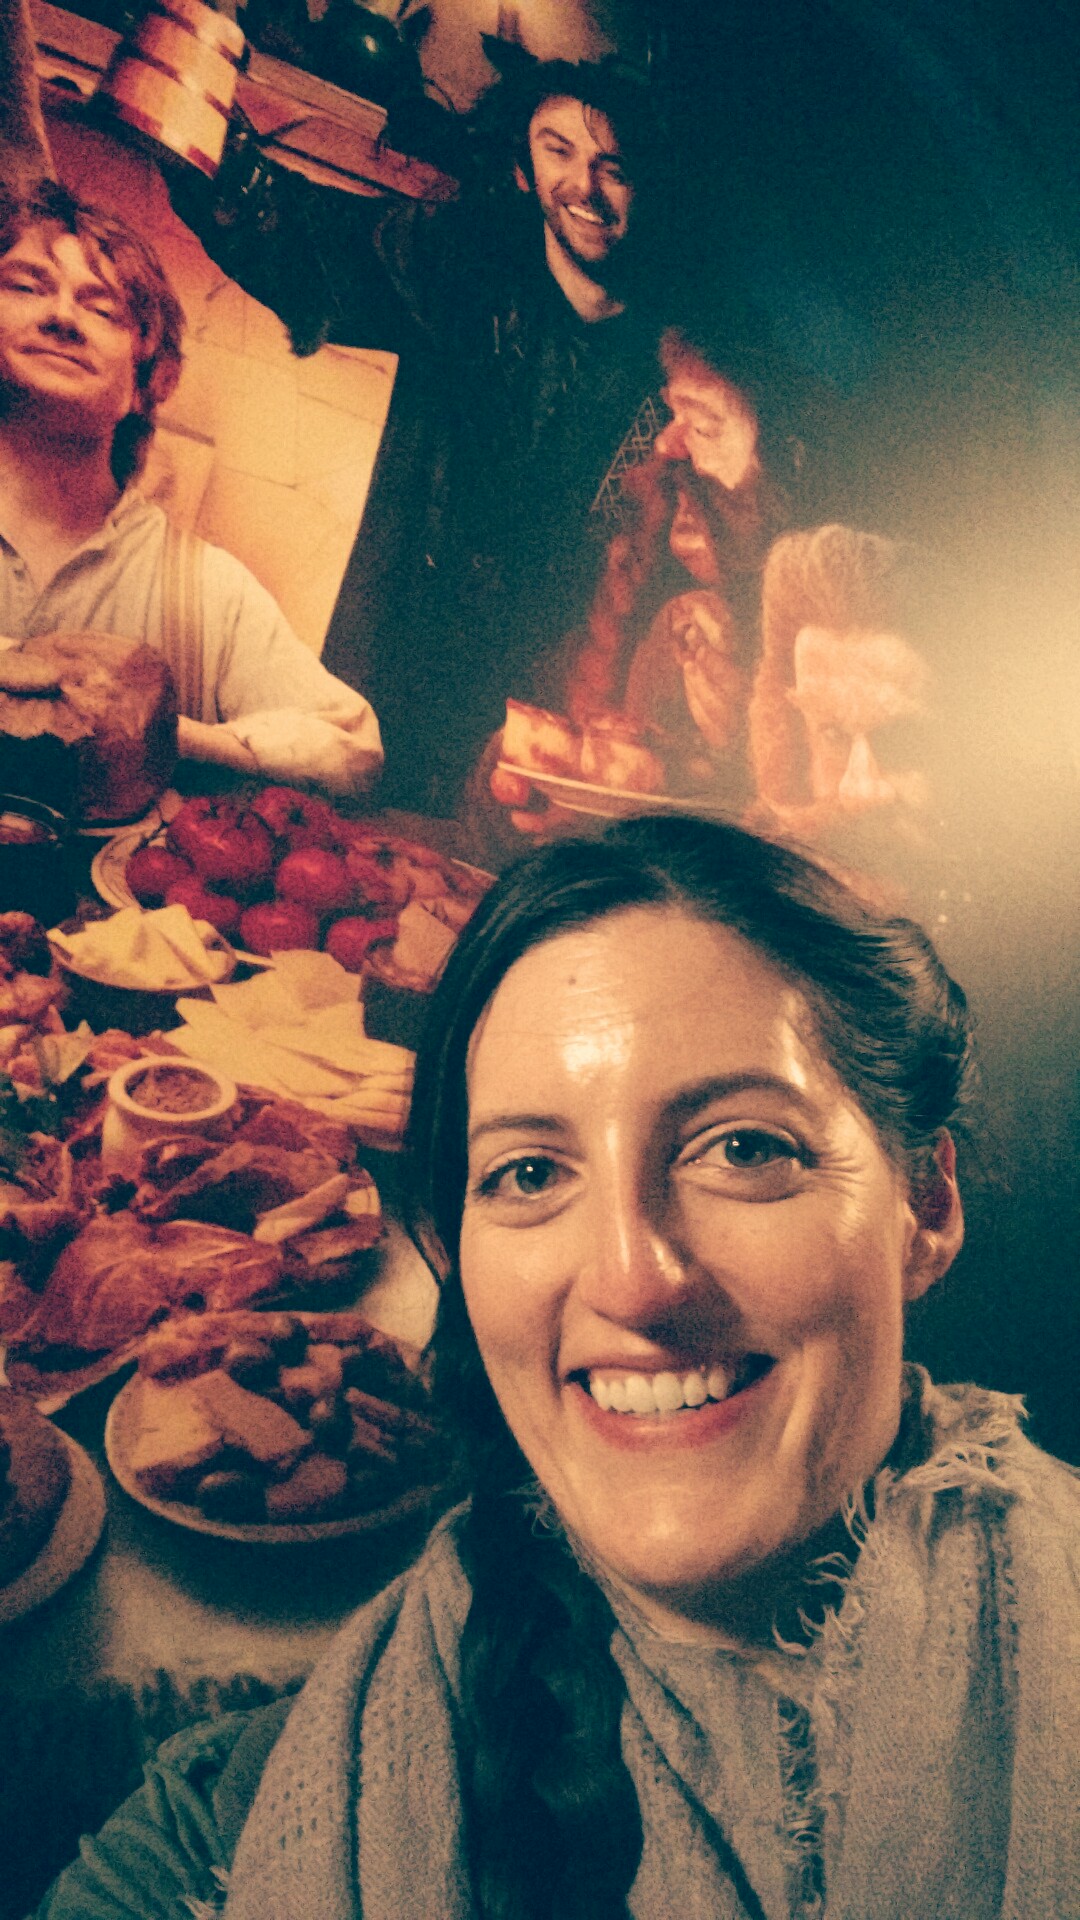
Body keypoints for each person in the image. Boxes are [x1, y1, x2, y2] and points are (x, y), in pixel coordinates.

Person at [32, 815, 1078, 1919]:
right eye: (530, 1173)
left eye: (744, 1149)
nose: (632, 1281)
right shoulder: (231, 1829)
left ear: (926, 1204)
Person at [173, 43, 708, 814]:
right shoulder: (458, 267)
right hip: (402, 658)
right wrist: (189, 107)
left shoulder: (684, 356)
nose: (584, 186)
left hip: (569, 722)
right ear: (523, 170)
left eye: (613, 166)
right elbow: (301, 235)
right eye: (557, 150)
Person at [0, 178, 383, 797]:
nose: (62, 316)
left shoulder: (207, 592)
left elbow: (355, 750)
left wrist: (152, 729)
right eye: (26, 286)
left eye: (102, 309)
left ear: (151, 380)